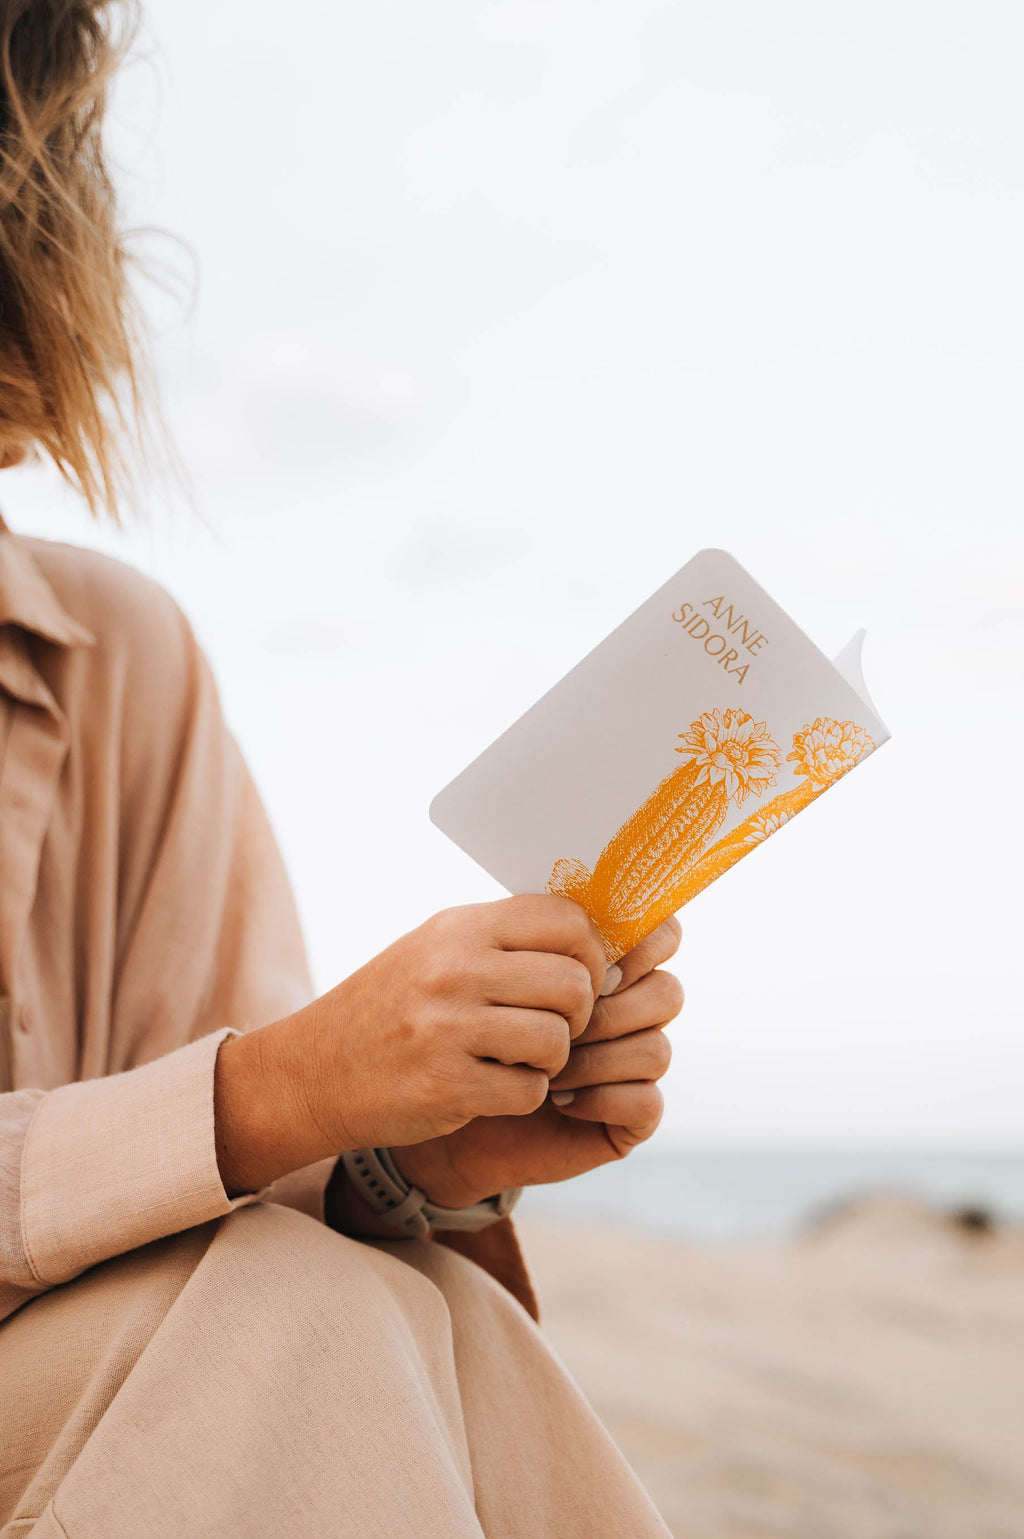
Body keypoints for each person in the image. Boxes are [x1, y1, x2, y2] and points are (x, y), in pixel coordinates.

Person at [0, 4, 683, 1536]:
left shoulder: (120, 658)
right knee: (300, 1319)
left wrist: (413, 1154)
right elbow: (234, 1107)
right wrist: (281, 1085)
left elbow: (224, 1193)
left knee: (431, 1321)